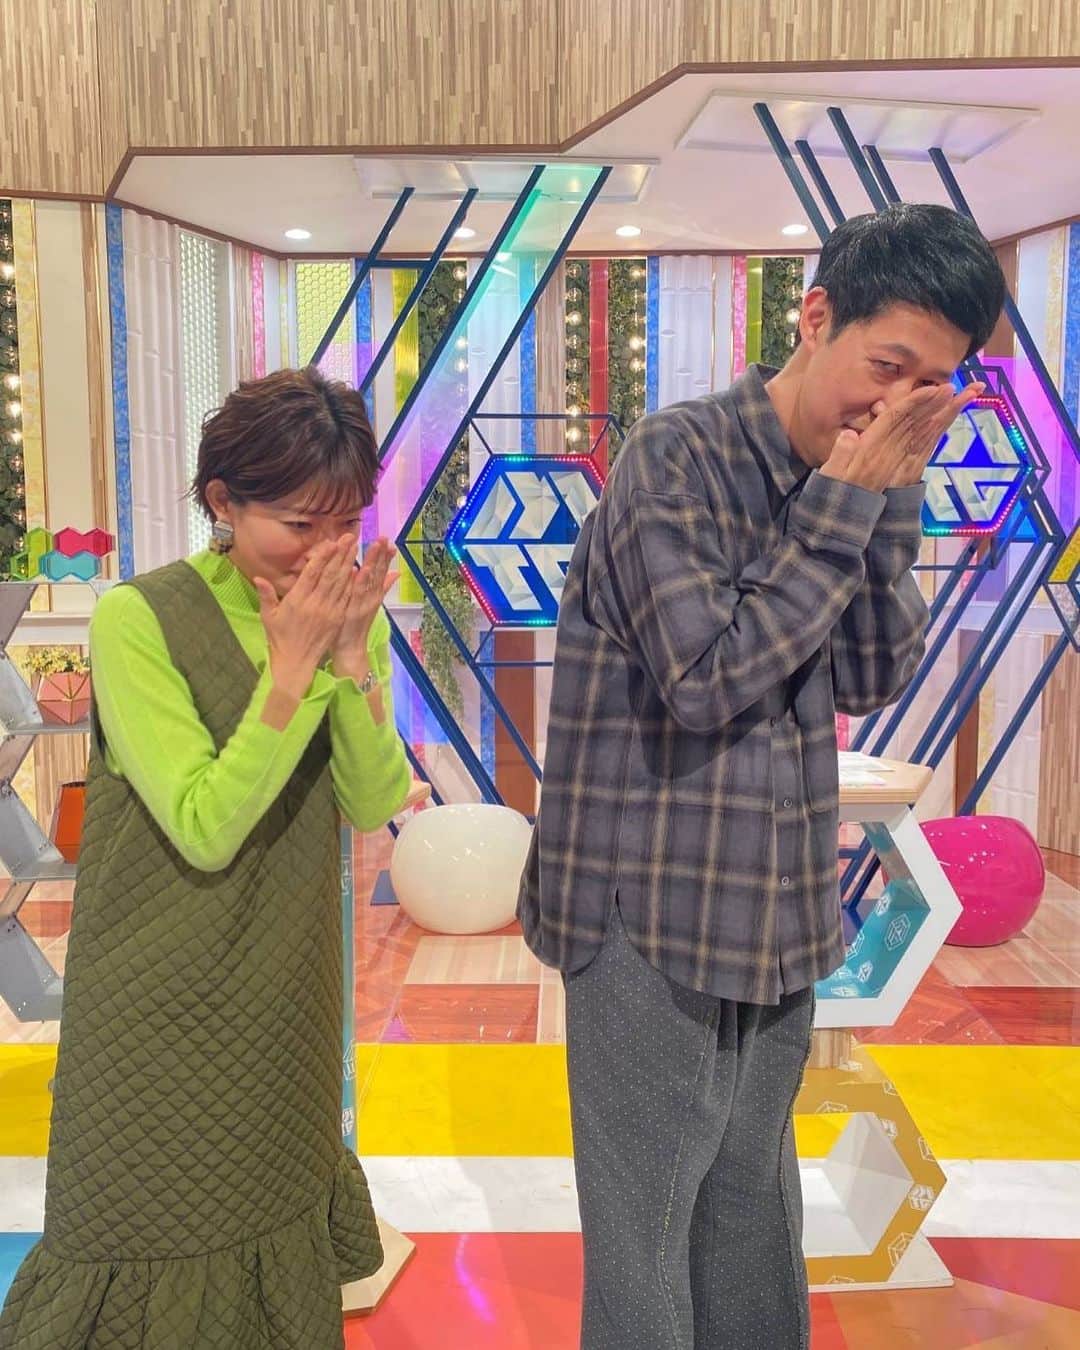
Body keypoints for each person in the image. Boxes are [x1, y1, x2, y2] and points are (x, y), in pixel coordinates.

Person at [519, 203, 1006, 1349]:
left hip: (776, 908)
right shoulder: (676, 458)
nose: (895, 407)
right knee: (645, 1241)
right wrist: (848, 502)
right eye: (886, 368)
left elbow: (870, 670)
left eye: (930, 387)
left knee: (752, 1214)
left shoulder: (862, 475)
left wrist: (886, 496)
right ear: (817, 316)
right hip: (646, 911)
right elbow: (705, 678)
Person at [0, 367, 412, 1350]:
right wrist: (294, 672)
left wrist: (351, 660)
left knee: (274, 1213)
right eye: (299, 525)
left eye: (345, 523)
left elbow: (374, 801)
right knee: (135, 1234)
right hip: (156, 997)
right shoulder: (139, 618)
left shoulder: (337, 619)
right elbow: (202, 824)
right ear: (223, 503)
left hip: (286, 992)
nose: (325, 552)